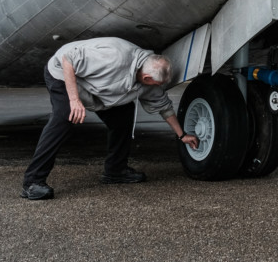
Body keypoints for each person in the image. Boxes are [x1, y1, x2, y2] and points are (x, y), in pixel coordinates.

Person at [20, 37, 198, 200]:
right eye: (157, 84)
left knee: (124, 114)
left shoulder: (149, 79)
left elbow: (164, 106)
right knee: (64, 118)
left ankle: (116, 171)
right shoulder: (114, 56)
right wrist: (74, 100)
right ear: (146, 77)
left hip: (99, 91)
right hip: (63, 74)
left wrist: (182, 135)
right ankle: (32, 182)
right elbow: (68, 59)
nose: (157, 88)